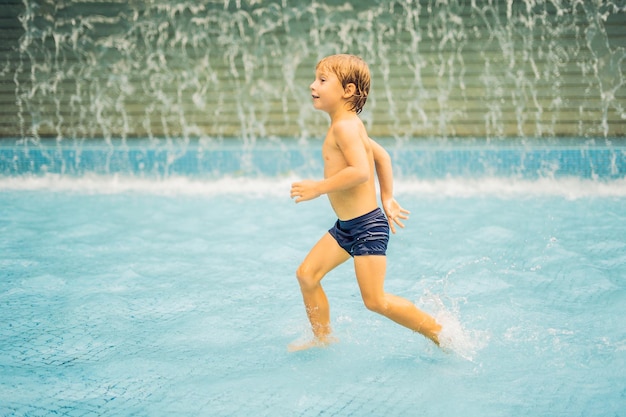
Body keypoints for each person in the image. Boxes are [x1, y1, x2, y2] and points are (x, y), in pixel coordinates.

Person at [289, 54, 442, 351]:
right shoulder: (347, 123)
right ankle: (322, 339)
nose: (312, 85)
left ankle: (438, 329)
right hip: (348, 227)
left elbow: (360, 172)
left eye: (322, 80)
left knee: (375, 301)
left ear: (347, 90)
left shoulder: (345, 127)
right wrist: (387, 197)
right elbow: (382, 156)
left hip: (367, 229)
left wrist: (318, 188)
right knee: (307, 275)